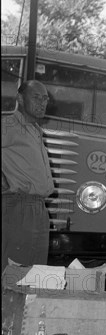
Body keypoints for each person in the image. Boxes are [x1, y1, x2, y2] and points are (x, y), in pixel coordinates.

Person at [2, 80, 54, 271]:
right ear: (20, 99)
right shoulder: (8, 125)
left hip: (39, 208)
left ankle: (24, 302)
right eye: (36, 97)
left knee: (35, 272)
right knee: (14, 270)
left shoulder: (35, 130)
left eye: (45, 98)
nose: (42, 102)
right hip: (18, 206)